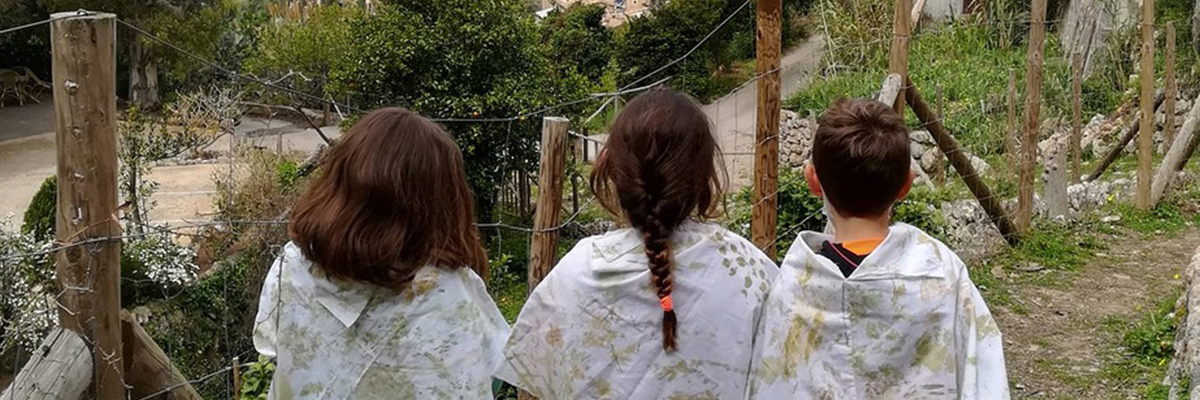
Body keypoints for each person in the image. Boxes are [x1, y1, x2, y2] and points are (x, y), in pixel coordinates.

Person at [495, 89, 779, 399]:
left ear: (615, 172)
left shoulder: (578, 270)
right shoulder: (750, 270)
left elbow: (533, 388)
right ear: (705, 173)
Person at [747, 98, 1009, 399]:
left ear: (813, 180)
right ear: (906, 185)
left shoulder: (790, 290)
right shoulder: (944, 274)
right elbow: (985, 374)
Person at [252, 108, 508, 399]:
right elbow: (487, 373)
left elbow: (272, 348)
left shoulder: (292, 263)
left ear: (341, 181)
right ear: (442, 202)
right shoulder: (449, 291)